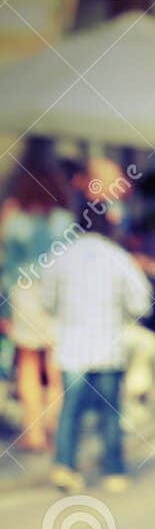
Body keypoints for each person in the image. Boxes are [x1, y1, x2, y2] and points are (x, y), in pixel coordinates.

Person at [39, 211, 152, 492]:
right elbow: (141, 301)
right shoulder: (118, 257)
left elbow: (47, 299)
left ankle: (65, 466)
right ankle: (113, 470)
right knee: (110, 411)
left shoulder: (62, 257)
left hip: (73, 348)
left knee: (71, 410)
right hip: (108, 347)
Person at [0, 165, 69, 453]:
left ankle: (34, 430)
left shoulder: (15, 221)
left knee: (27, 359)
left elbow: (4, 265)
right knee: (55, 360)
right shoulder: (64, 221)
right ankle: (55, 422)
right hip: (55, 292)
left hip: (22, 292)